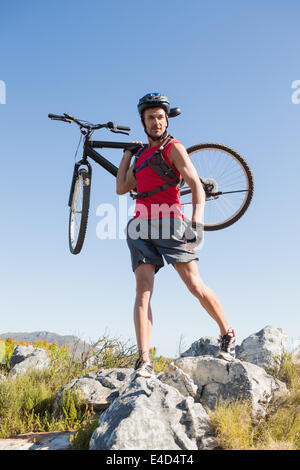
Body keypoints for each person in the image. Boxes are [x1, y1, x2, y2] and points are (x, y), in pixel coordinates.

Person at [116, 93, 236, 379]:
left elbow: (195, 185)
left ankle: (227, 332)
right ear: (143, 123)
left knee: (195, 285)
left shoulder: (173, 148)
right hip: (140, 227)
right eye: (150, 118)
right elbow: (122, 187)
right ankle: (144, 360)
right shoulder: (142, 156)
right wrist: (126, 155)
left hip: (171, 223)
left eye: (160, 117)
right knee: (142, 291)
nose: (156, 122)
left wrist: (196, 222)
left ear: (166, 119)